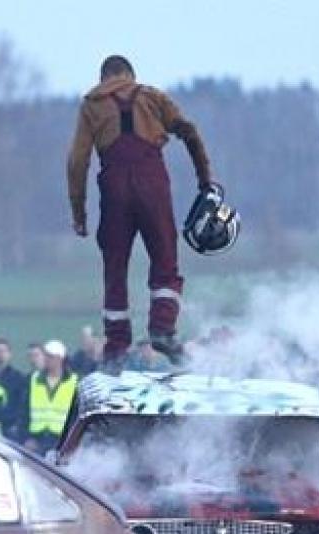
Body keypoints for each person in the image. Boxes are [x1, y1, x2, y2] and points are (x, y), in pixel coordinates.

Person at [67, 54, 214, 371]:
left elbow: (77, 161)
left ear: (104, 77)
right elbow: (189, 132)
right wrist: (205, 179)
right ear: (130, 75)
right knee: (164, 258)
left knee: (115, 267)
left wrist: (79, 213)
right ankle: (162, 328)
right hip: (152, 184)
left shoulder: (91, 105)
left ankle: (116, 348)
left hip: (114, 188)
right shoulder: (153, 97)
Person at [22, 340, 78, 455]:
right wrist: (26, 437)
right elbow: (24, 411)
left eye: (50, 356)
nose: (46, 359)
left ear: (60, 359)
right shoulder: (33, 379)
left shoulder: (75, 381)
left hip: (62, 440)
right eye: (46, 355)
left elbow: (76, 414)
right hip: (36, 440)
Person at [0, 338, 27, 438]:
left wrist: (17, 425)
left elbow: (22, 404)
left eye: (3, 351)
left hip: (10, 427)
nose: (0, 354)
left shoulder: (18, 377)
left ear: (10, 354)